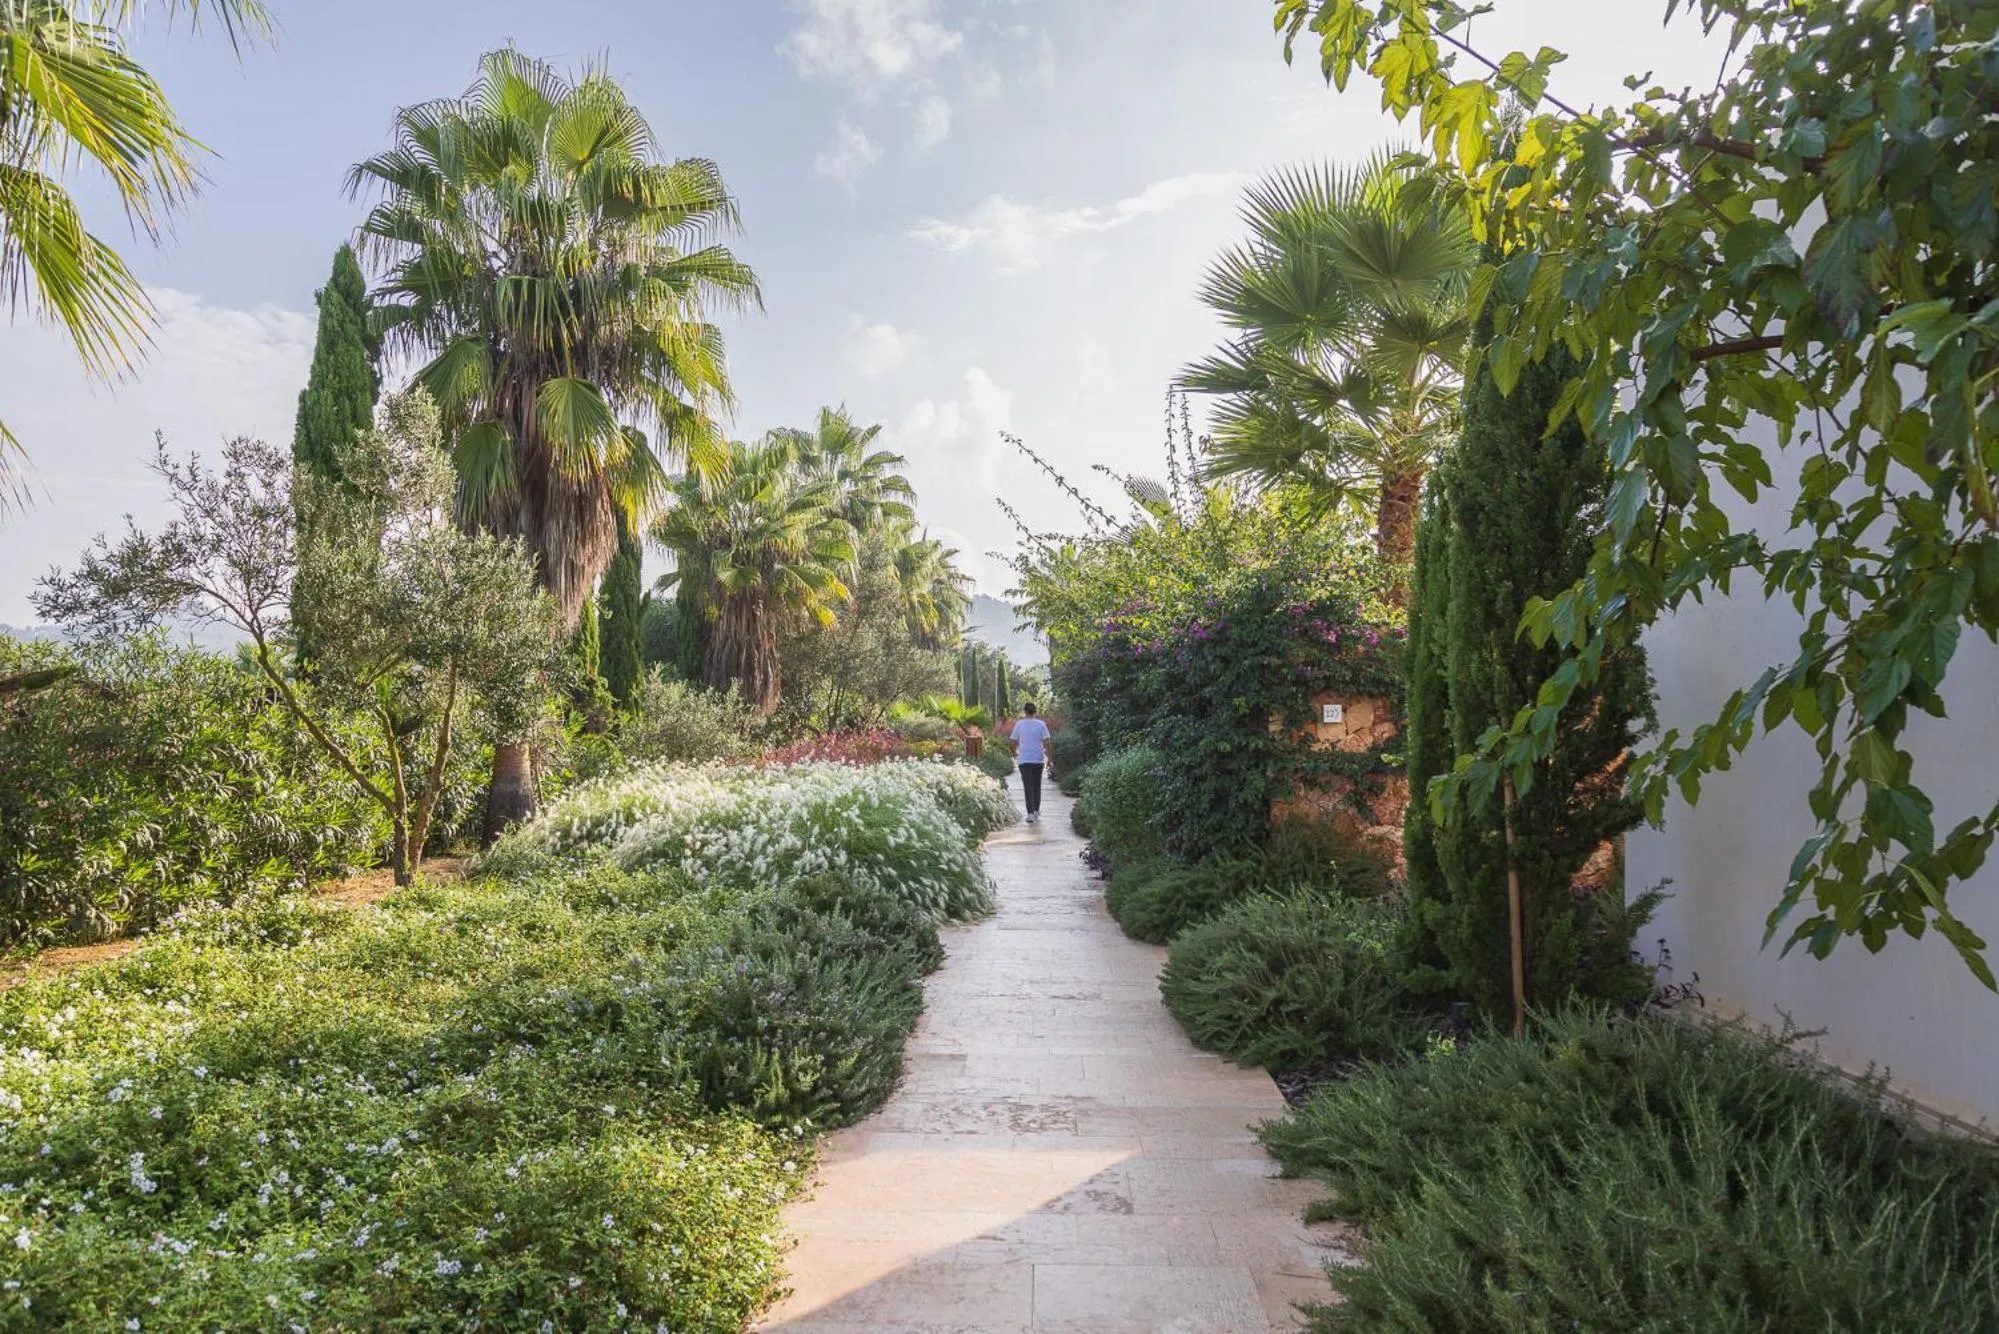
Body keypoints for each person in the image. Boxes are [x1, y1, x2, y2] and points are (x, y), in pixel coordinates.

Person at [1008, 701, 1052, 824]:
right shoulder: (1041, 725)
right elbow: (1048, 743)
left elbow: (1012, 742)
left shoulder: (1019, 724)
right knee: (1037, 785)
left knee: (1028, 786)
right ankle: (1036, 810)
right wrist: (1050, 759)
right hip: (1038, 760)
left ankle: (1030, 814)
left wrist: (1014, 753)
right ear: (1035, 711)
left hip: (1024, 760)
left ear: (1025, 711)